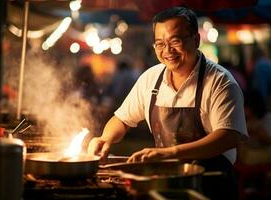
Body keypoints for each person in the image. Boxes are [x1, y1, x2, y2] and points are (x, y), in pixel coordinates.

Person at [88, 7, 247, 200]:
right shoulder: (150, 79)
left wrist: (168, 153)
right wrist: (105, 139)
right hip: (165, 183)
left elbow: (227, 137)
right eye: (160, 44)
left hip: (211, 184)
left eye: (175, 41)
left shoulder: (220, 81)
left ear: (196, 40)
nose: (167, 51)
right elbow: (121, 120)